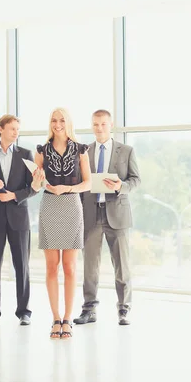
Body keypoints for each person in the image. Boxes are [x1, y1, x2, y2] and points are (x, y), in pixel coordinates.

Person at [74, 109, 141, 326]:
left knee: (122, 265)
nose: (99, 128)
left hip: (117, 214)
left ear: (110, 125)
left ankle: (124, 309)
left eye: (103, 124)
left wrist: (121, 186)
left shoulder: (126, 151)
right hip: (91, 214)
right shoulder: (84, 151)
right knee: (89, 267)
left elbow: (136, 180)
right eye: (95, 124)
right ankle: (89, 309)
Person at [0, 114, 41, 326]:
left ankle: (24, 311)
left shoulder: (25, 154)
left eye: (17, 129)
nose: (15, 132)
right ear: (0, 129)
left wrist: (14, 195)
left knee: (22, 265)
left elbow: (34, 188)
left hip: (18, 217)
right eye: (12, 128)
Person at [33, 107, 91, 339]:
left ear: (68, 123)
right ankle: (55, 318)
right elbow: (35, 186)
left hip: (71, 205)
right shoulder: (41, 150)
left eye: (62, 120)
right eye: (54, 120)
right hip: (49, 206)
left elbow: (88, 183)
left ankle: (68, 319)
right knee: (51, 266)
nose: (58, 124)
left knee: (70, 267)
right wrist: (37, 181)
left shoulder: (80, 150)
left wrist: (66, 187)